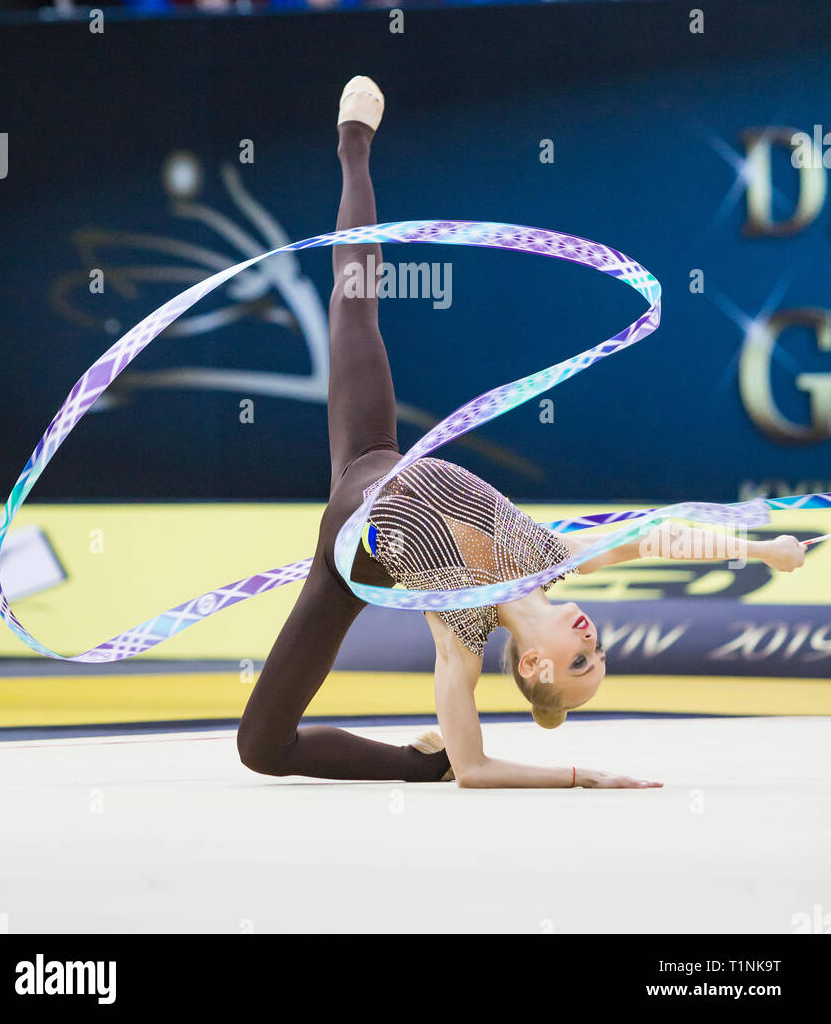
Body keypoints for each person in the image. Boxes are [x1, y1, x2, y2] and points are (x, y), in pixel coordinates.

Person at [236, 76, 808, 788]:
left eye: (582, 665)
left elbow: (474, 769)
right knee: (355, 304)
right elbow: (661, 532)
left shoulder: (462, 628)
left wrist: (578, 776)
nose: (594, 646)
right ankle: (355, 142)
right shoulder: (550, 552)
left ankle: (414, 768)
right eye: (600, 658)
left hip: (345, 565)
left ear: (533, 665)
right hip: (371, 459)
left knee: (262, 748)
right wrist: (762, 550)